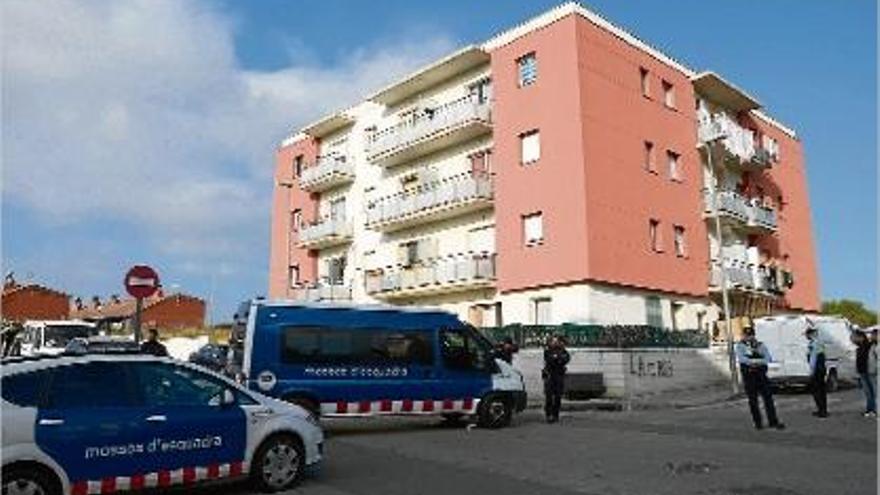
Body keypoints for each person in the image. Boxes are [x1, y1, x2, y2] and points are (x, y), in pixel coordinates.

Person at [735, 325, 785, 430]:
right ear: (743, 336)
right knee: (753, 401)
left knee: (768, 399)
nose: (749, 337)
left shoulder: (760, 345)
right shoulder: (740, 346)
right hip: (749, 377)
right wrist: (757, 361)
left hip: (761, 375)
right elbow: (743, 359)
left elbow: (767, 358)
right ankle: (758, 423)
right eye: (747, 335)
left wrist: (754, 362)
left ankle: (773, 421)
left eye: (751, 335)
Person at [542, 335, 570, 424]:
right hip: (550, 375)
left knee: (558, 396)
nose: (555, 343)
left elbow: (565, 359)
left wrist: (557, 358)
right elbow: (549, 360)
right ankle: (548, 414)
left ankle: (555, 414)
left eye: (556, 341)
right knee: (549, 396)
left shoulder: (563, 351)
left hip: (559, 375)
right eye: (553, 341)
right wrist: (557, 358)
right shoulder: (547, 351)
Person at [853, 327, 878, 417]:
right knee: (868, 392)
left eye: (855, 337)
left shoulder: (870, 345)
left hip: (871, 371)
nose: (853, 339)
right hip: (863, 371)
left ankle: (875, 410)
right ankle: (869, 409)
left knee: (875, 391)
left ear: (861, 337)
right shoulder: (860, 347)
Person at [805, 323, 828, 418]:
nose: (806, 336)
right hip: (822, 368)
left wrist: (811, 371)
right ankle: (823, 410)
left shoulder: (813, 344)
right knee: (822, 390)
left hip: (817, 369)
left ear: (810, 334)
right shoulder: (820, 342)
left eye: (807, 334)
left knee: (816, 390)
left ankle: (821, 411)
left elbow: (813, 358)